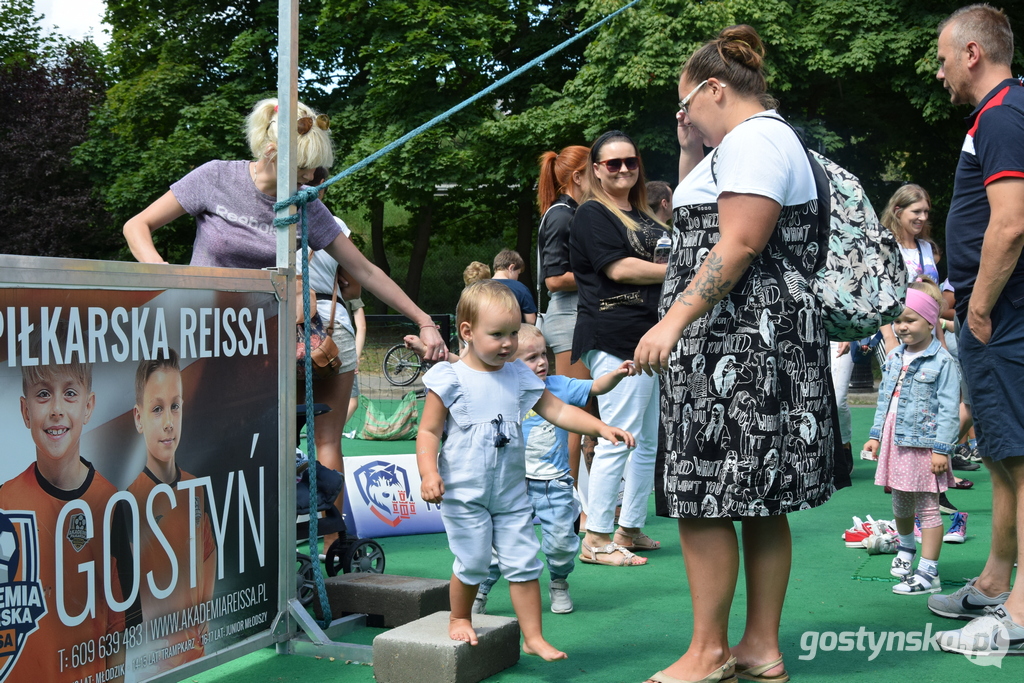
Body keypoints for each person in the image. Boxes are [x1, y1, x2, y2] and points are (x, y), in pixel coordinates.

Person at [633, 25, 839, 683]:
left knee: (705, 494)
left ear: (716, 89)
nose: (683, 116)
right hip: (762, 343)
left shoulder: (753, 141)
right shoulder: (767, 140)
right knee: (759, 497)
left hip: (736, 343)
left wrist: (674, 322)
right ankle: (757, 645)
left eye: (687, 103)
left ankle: (707, 652)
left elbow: (739, 243)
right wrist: (691, 144)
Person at [121, 97, 445, 361]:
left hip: (266, 343)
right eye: (302, 168)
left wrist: (424, 320)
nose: (309, 177)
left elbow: (366, 271)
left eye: (314, 167)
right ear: (271, 152)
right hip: (201, 331)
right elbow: (137, 226)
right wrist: (164, 275)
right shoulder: (216, 177)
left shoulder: (306, 207)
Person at [416, 280, 634, 660]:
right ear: (467, 332)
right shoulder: (450, 378)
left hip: (511, 494)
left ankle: (533, 637)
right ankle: (458, 617)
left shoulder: (518, 376)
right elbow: (429, 431)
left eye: (514, 334)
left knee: (524, 562)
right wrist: (428, 473)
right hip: (465, 494)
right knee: (473, 561)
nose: (508, 343)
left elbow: (558, 410)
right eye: (497, 334)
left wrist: (600, 427)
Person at [929, 4, 1024, 655]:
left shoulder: (1004, 113)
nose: (939, 72)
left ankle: (1018, 614)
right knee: (1000, 452)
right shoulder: (999, 114)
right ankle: (996, 581)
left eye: (942, 58)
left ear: (971, 53)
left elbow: (1011, 221)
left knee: (1021, 458)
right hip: (995, 316)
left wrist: (982, 305)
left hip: (1006, 316)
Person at [472, 324, 636, 615]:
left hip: (555, 484)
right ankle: (481, 591)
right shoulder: (502, 389)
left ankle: (559, 582)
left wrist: (617, 374)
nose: (542, 362)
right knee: (497, 545)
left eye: (543, 354)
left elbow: (595, 387)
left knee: (561, 544)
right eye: (531, 358)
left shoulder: (559, 386)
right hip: (513, 485)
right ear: (509, 363)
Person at [0, 340, 136, 682]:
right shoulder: (4, 502)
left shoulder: (110, 504)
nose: (57, 409)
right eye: (43, 394)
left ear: (89, 406)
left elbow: (117, 630)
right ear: (25, 410)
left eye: (70, 393)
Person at [570, 130, 668, 567]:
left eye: (631, 161)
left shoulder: (645, 214)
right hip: (614, 334)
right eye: (613, 164)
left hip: (650, 333)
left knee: (645, 440)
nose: (625, 169)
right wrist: (680, 274)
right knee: (617, 437)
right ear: (596, 170)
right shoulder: (593, 213)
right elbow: (619, 268)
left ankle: (629, 527)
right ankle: (596, 538)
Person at [862, 284, 959, 595]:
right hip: (895, 441)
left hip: (924, 446)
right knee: (900, 503)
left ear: (930, 321)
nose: (902, 327)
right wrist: (875, 436)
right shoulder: (894, 356)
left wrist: (942, 450)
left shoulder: (941, 361)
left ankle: (929, 573)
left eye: (910, 320)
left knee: (928, 508)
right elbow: (884, 401)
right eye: (898, 321)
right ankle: (906, 550)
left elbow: (948, 409)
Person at [128, 349, 217, 672]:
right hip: (151, 666)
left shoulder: (195, 486)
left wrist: (204, 609)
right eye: (157, 409)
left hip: (197, 656)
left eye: (175, 407)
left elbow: (207, 549)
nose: (168, 423)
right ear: (139, 418)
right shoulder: (129, 502)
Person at [536, 145, 593, 485]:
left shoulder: (572, 212)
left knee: (585, 412)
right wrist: (605, 272)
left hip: (579, 317)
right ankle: (569, 501)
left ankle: (587, 498)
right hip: (568, 318)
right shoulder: (561, 215)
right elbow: (555, 279)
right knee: (572, 414)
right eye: (595, 169)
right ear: (577, 176)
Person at [491, 249, 538, 323]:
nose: (517, 277)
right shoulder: (521, 289)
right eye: (518, 273)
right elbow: (531, 320)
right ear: (511, 267)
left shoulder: (480, 287)